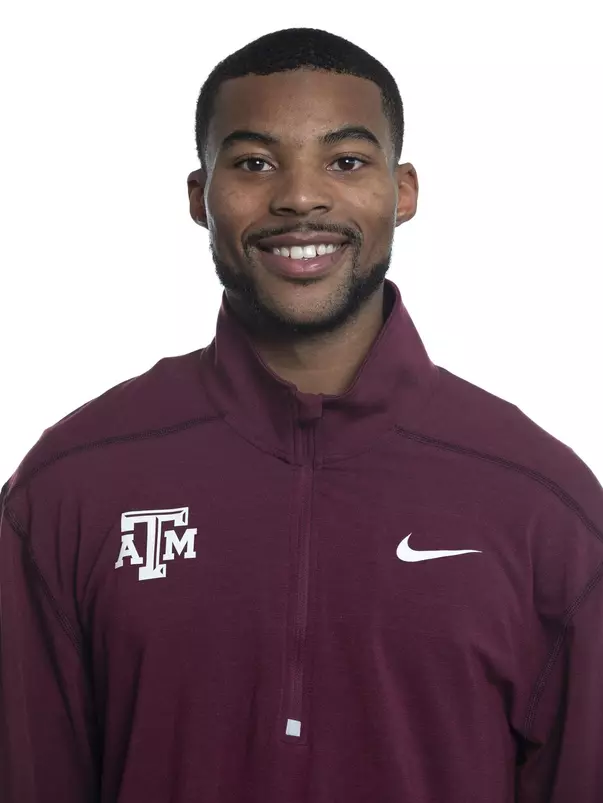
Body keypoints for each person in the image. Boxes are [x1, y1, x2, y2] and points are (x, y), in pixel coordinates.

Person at [0, 26, 601, 803]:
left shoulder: (539, 502)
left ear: (404, 189)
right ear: (198, 195)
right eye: (253, 163)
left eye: (345, 161)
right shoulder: (72, 485)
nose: (299, 196)